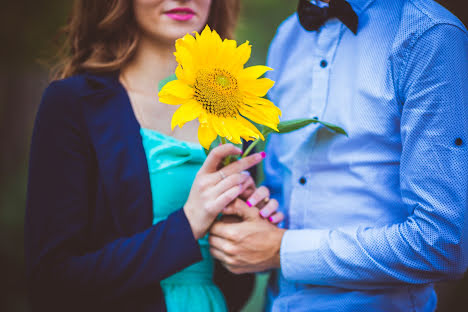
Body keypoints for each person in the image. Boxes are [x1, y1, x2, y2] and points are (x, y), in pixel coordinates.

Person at [208, 0, 468, 311]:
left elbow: (443, 244)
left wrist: (282, 250)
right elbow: (281, 206)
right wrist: (257, 218)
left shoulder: (428, 35)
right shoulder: (287, 37)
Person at [25, 0, 284, 311]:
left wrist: (241, 234)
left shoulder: (236, 114)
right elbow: (51, 284)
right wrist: (188, 224)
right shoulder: (73, 105)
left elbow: (233, 291)